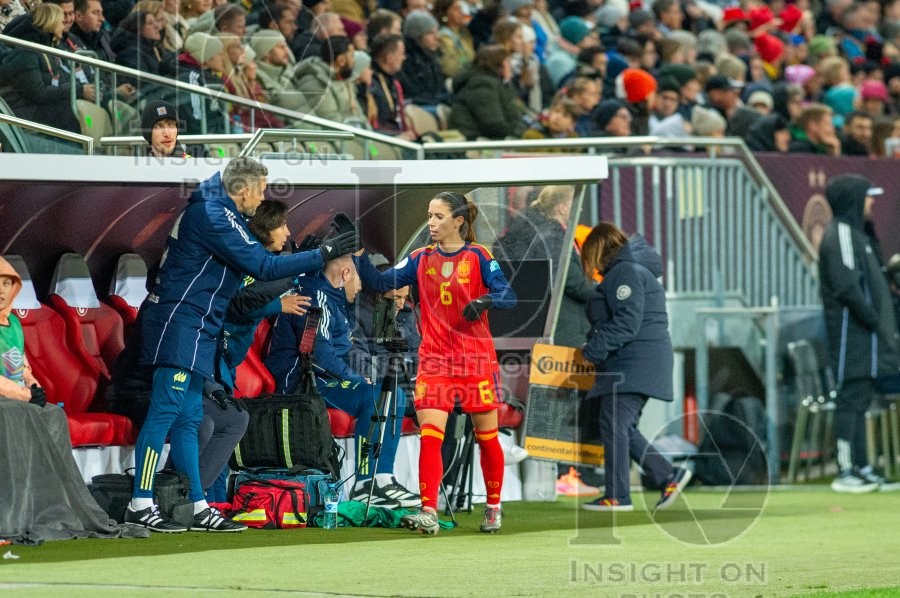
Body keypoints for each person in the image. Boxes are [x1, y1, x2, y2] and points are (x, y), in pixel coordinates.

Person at [125, 157, 359, 533]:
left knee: (189, 418)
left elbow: (265, 263)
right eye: (262, 190)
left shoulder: (223, 214)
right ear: (244, 188)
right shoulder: (211, 214)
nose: (263, 197)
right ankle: (140, 502)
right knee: (166, 412)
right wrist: (324, 255)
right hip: (180, 321)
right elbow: (262, 268)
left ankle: (197, 504)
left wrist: (315, 253)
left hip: (199, 325)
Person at [355, 191, 517, 535]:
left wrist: (486, 300)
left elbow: (509, 295)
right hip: (434, 360)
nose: (431, 223)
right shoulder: (418, 258)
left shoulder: (478, 256)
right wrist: (359, 256)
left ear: (459, 221)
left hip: (474, 359)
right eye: (430, 215)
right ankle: (429, 511)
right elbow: (382, 283)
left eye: (439, 216)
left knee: (486, 437)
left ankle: (493, 506)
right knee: (431, 435)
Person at [0, 257, 146, 543]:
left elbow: (22, 366)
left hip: (17, 396)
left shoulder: (13, 323)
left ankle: (49, 508)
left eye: (8, 284)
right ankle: (9, 514)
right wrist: (23, 394)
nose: (3, 291)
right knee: (16, 415)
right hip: (6, 401)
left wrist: (33, 386)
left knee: (52, 415)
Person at [265, 253, 420, 509]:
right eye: (360, 279)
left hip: (324, 378)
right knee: (374, 396)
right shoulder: (314, 298)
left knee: (392, 393)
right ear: (346, 273)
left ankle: (382, 478)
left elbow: (343, 351)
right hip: (302, 381)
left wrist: (369, 374)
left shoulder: (333, 302)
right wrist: (358, 378)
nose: (361, 288)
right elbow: (319, 355)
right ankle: (364, 481)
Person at [579, 222, 692, 512]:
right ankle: (667, 475)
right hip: (638, 360)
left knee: (615, 422)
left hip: (634, 361)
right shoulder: (631, 270)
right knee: (620, 425)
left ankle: (618, 495)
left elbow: (627, 322)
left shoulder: (625, 272)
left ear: (599, 250)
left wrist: (593, 349)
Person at [818, 175, 900, 493]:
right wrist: (875, 320)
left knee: (863, 398)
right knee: (850, 397)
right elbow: (847, 286)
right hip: (851, 333)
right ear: (852, 199)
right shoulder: (839, 233)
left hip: (867, 334)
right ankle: (845, 470)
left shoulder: (858, 234)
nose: (871, 202)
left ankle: (863, 466)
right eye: (867, 196)